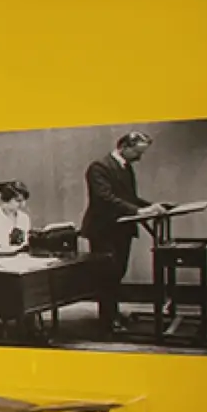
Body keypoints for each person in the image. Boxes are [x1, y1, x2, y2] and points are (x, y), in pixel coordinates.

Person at [79, 130, 166, 336]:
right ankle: (108, 321)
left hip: (121, 230)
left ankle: (113, 315)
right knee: (107, 276)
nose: (140, 157)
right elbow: (105, 198)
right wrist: (139, 211)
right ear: (124, 147)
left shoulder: (125, 167)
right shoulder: (99, 167)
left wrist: (152, 206)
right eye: (137, 152)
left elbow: (129, 197)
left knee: (117, 273)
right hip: (104, 231)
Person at [0, 181, 35, 258]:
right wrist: (14, 251)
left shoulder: (24, 218)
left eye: (24, 201)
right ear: (6, 199)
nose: (23, 205)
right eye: (18, 201)